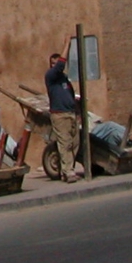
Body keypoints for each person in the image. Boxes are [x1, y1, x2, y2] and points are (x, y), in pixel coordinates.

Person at [45, 52, 81, 182]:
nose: (56, 66)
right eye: (53, 64)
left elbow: (71, 96)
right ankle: (68, 172)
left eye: (57, 63)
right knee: (65, 143)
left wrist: (77, 113)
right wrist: (67, 44)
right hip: (60, 115)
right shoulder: (50, 76)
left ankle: (65, 170)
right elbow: (60, 65)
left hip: (71, 114)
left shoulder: (65, 79)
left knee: (75, 143)